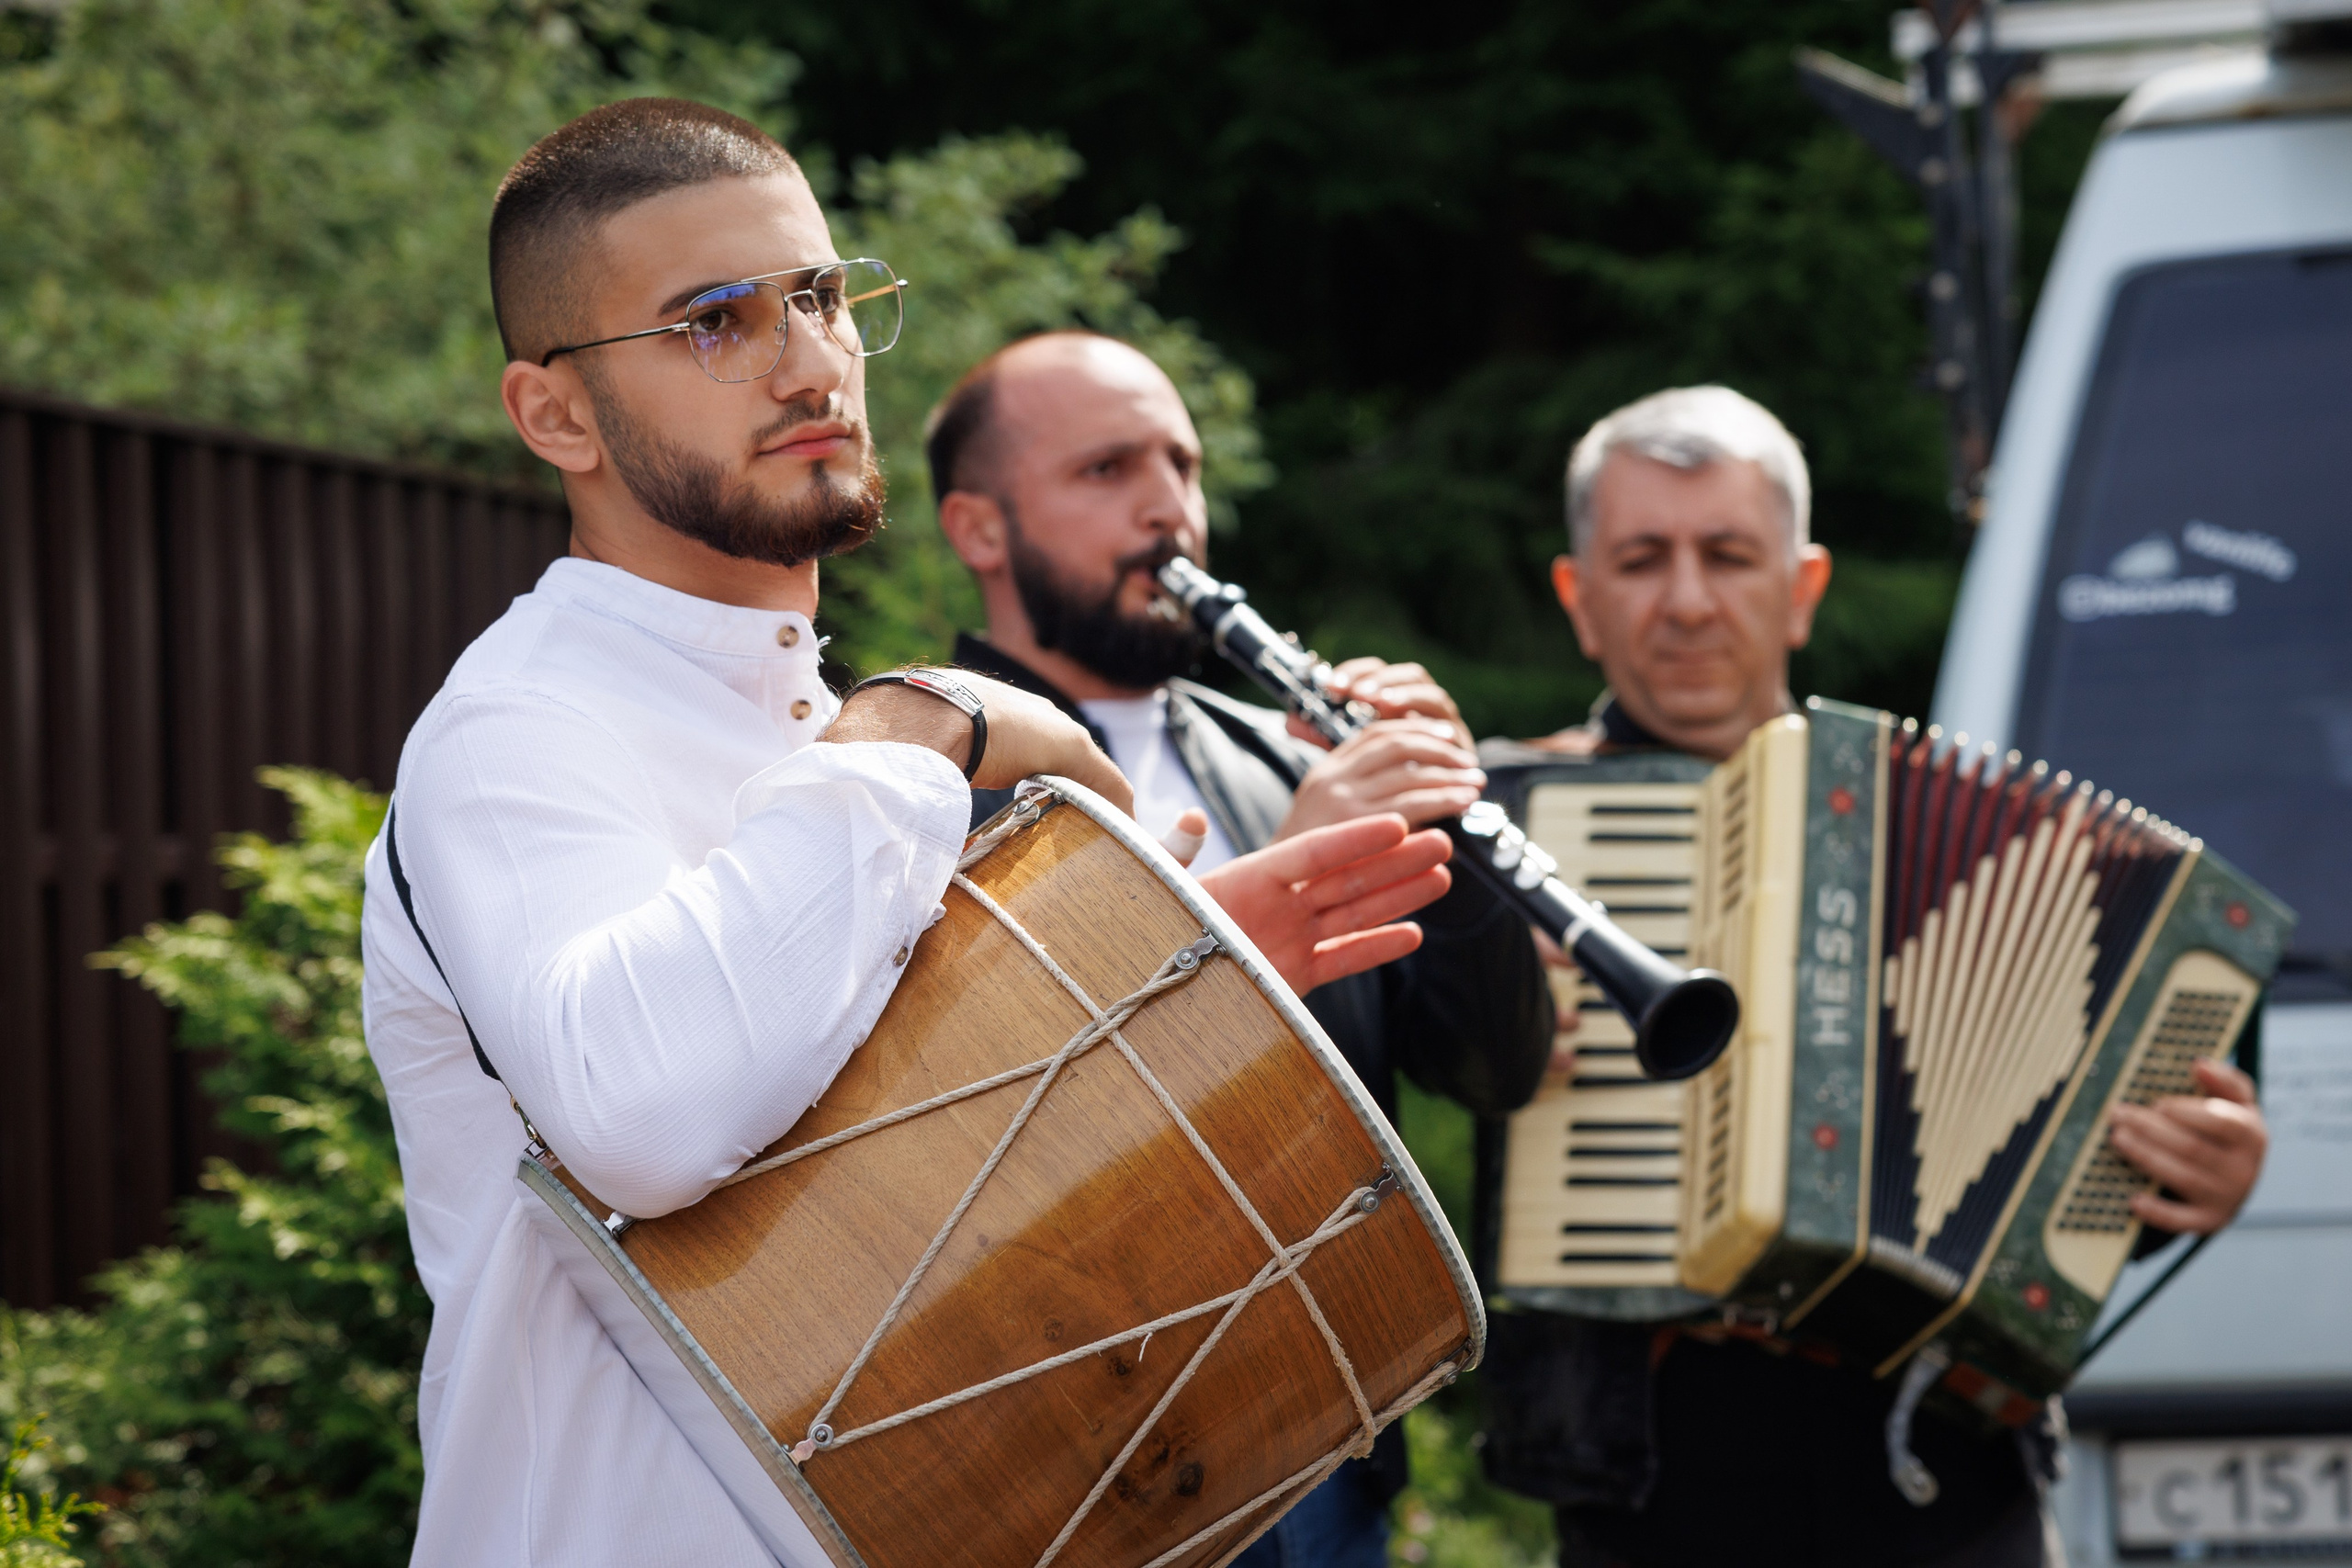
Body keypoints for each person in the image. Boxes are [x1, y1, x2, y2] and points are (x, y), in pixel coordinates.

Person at [361, 99, 1466, 1568]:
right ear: (555, 412)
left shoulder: (814, 734)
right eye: (713, 322)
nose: (811, 359)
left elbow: (883, 1204)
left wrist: (1164, 1011)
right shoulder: (518, 730)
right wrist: (925, 717)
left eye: (820, 296)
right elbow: (643, 1114)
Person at [1476, 385, 2272, 1568]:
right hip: (1651, 1481)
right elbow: (1410, 1061)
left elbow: (2080, 1163)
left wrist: (2201, 1177)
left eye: (1729, 556)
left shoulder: (1965, 834)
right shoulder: (1501, 828)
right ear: (1578, 598)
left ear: (1801, 590)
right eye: (1643, 559)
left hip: (1941, 1472)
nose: (1688, 601)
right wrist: (1488, 992)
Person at [924, 329, 1559, 1567]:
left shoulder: (1282, 755)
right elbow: (989, 1139)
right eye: (1108, 471)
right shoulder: (914, 786)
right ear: (981, 530)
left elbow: (1497, 1069)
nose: (1170, 508)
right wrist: (1280, 877)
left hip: (1329, 1444)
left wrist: (1454, 819)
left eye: (1183, 466)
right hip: (1069, 1473)